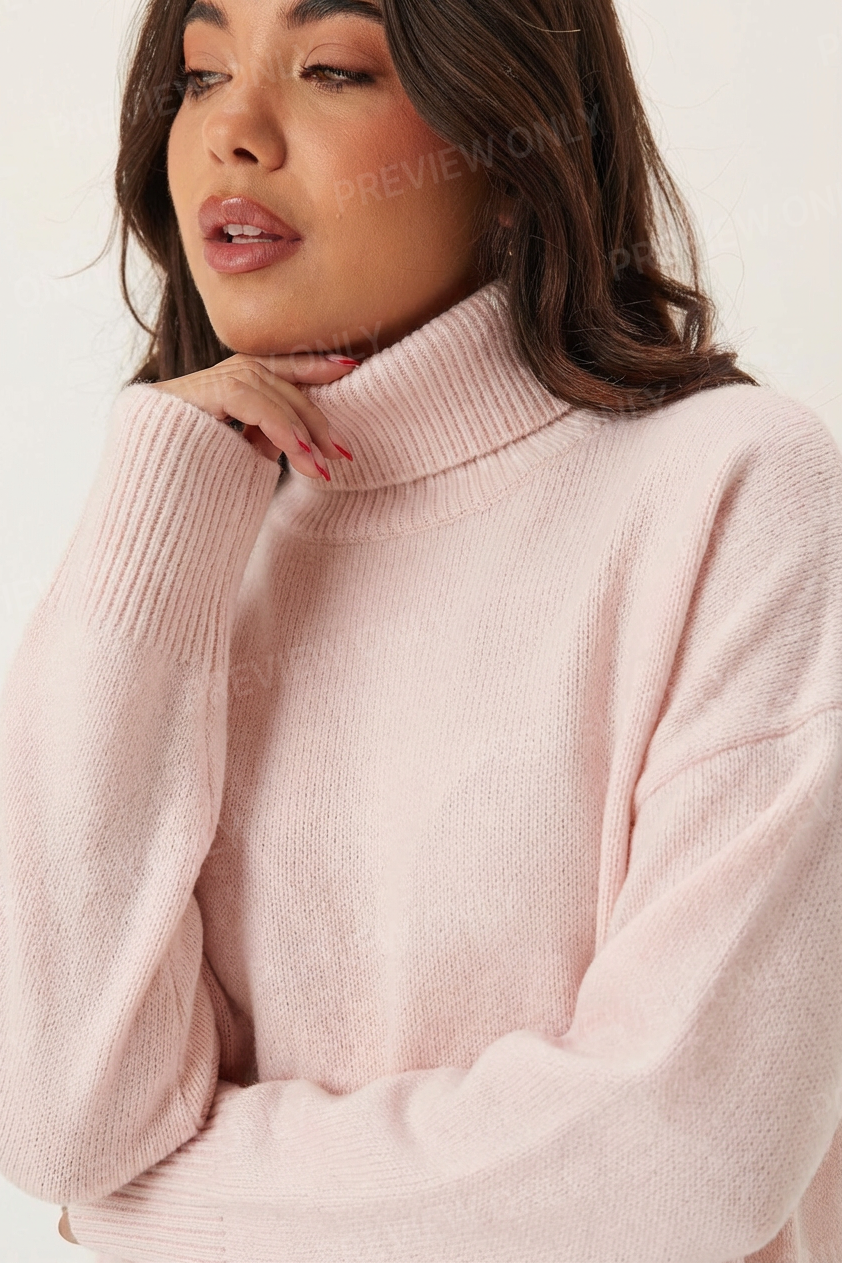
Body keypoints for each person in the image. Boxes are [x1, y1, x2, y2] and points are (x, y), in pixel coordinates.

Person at [1, 0, 841, 1260]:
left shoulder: (731, 490)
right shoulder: (194, 553)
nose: (233, 129)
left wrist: (152, 1211)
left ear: (510, 150)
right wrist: (159, 498)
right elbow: (61, 1124)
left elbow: (678, 1159)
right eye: (201, 73)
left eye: (331, 69)